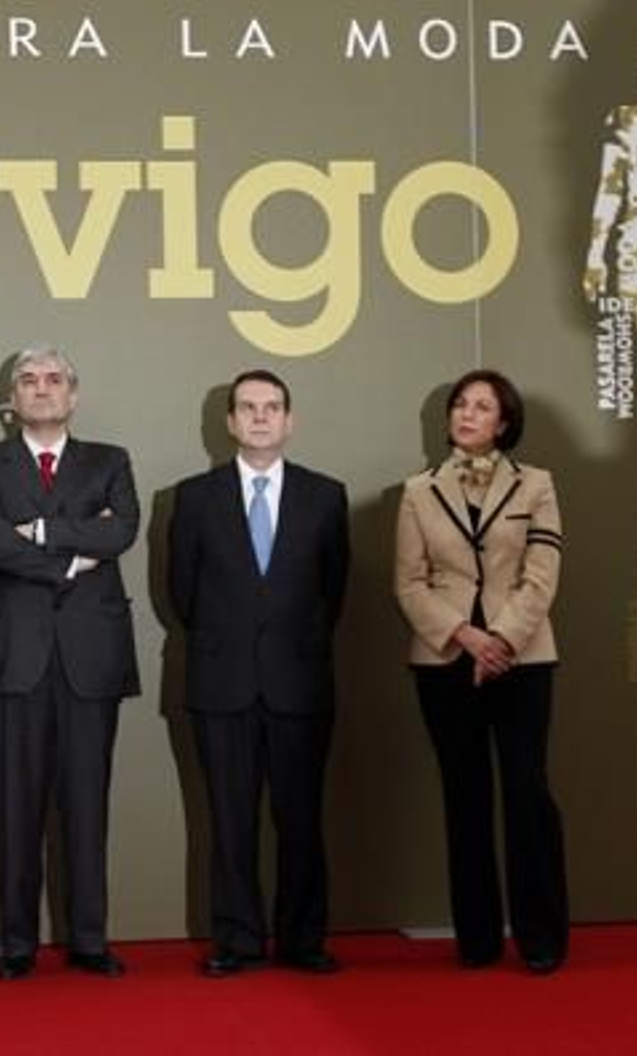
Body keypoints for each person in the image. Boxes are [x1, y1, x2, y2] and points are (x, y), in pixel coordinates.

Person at [0, 346, 139, 981]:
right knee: (12, 806)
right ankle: (16, 945)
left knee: (89, 804)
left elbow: (122, 533)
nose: (41, 389)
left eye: (54, 379)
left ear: (74, 395)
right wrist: (69, 551)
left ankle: (90, 938)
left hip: (91, 655)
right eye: (28, 381)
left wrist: (35, 530)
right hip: (12, 656)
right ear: (11, 397)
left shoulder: (110, 460)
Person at [168, 369, 350, 977]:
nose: (261, 417)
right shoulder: (192, 498)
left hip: (299, 683)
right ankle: (237, 940)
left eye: (272, 407)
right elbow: (183, 595)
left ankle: (304, 940)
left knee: (302, 819)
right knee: (230, 820)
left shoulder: (327, 496)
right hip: (222, 685)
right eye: (248, 408)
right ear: (229, 422)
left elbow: (335, 591)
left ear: (290, 420)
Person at [393, 369, 568, 974]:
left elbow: (542, 574)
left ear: (505, 421)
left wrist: (501, 641)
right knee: (463, 798)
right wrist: (464, 636)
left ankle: (541, 937)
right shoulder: (418, 491)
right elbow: (408, 583)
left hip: (523, 658)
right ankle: (478, 939)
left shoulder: (537, 485)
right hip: (443, 661)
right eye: (460, 405)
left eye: (482, 406)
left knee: (526, 794)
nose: (468, 414)